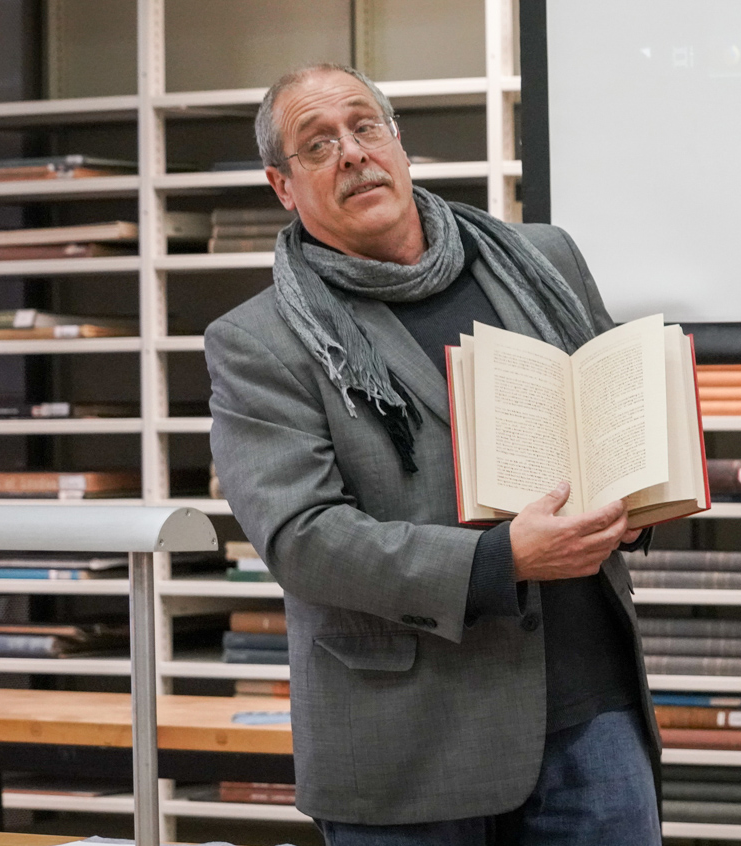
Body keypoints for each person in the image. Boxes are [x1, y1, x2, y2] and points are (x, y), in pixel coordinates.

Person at [204, 63, 662, 845]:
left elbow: (609, 416)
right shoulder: (259, 342)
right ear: (283, 187)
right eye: (317, 145)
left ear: (399, 144)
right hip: (408, 751)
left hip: (594, 719)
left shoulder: (542, 259)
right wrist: (499, 561)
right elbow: (303, 540)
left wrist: (641, 494)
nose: (351, 153)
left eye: (364, 126)